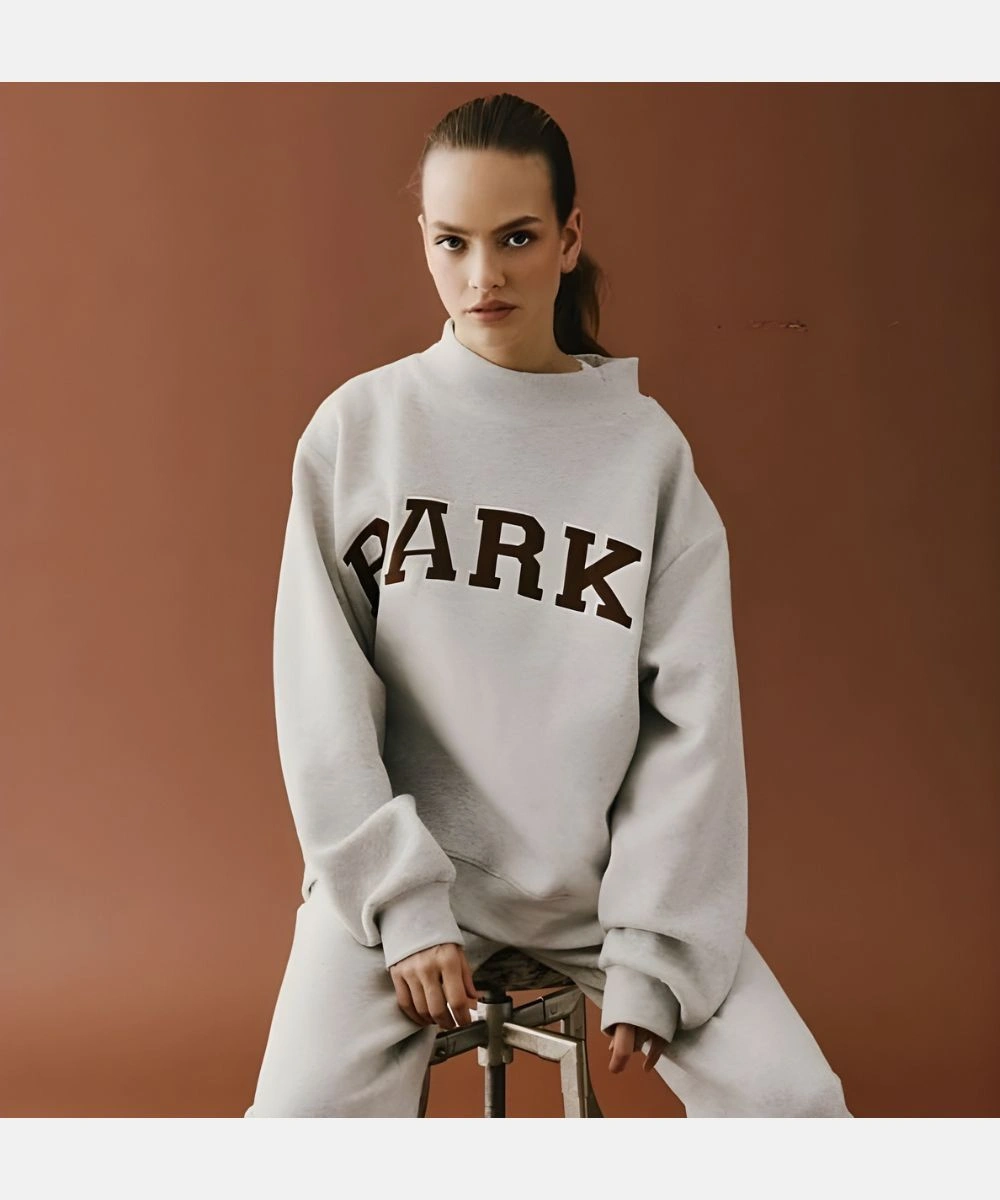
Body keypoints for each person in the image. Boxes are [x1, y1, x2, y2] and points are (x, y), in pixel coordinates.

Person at [244, 92, 853, 1118]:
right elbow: (321, 701)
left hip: (603, 896)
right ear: (424, 241)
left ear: (569, 239)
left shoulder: (645, 453)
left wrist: (654, 948)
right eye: (453, 241)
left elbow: (692, 726)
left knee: (797, 1108)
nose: (483, 275)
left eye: (517, 237)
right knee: (294, 1131)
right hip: (402, 881)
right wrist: (402, 906)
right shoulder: (360, 431)